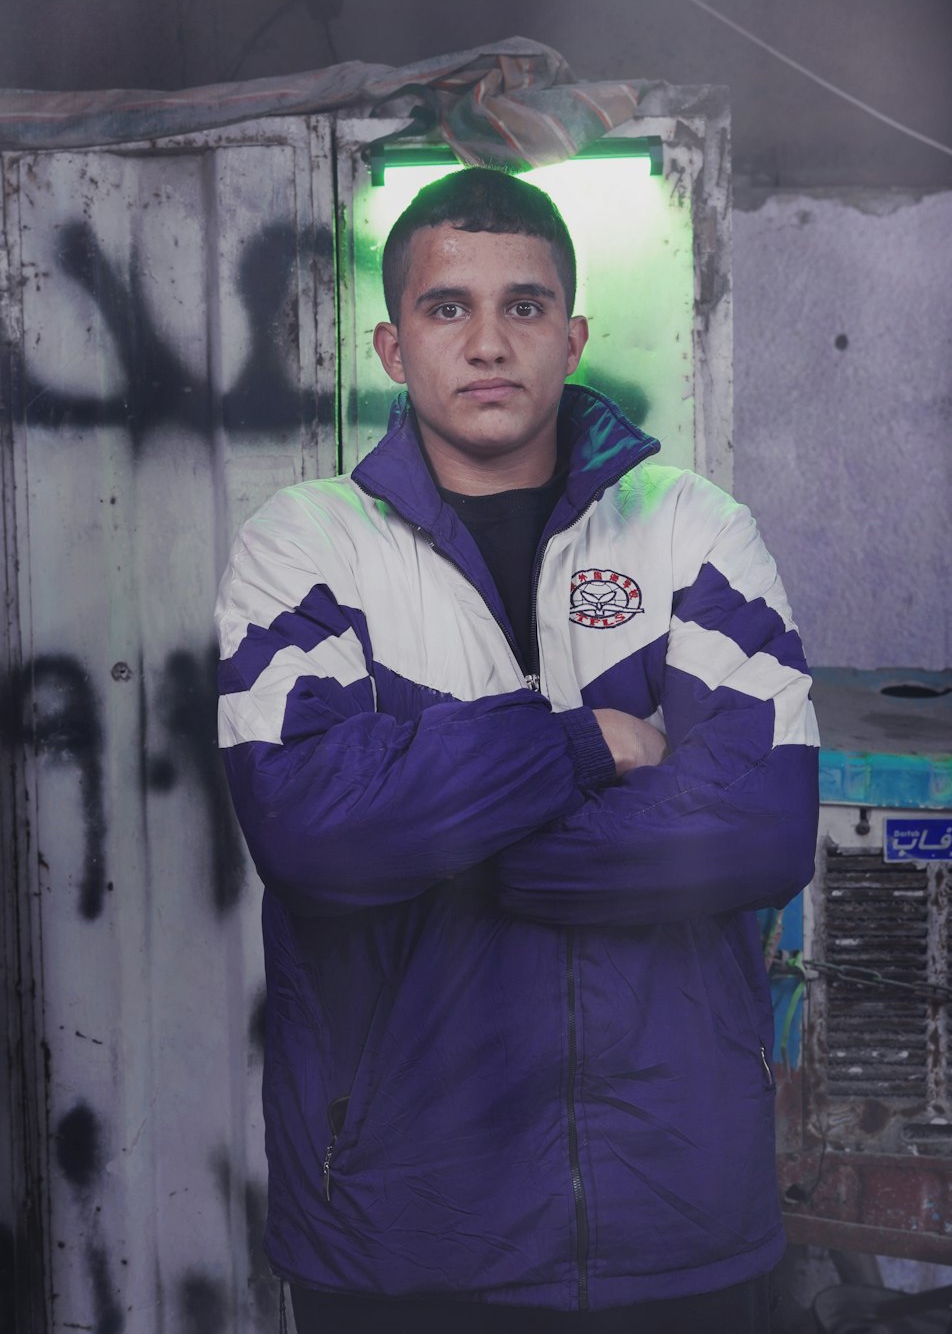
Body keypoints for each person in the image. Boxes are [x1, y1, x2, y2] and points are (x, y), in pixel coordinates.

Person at [215, 167, 819, 1333]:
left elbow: (758, 829)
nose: (488, 343)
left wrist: (442, 843)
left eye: (524, 307)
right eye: (450, 309)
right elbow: (311, 837)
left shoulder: (693, 529)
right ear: (394, 347)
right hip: (401, 1227)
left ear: (573, 335)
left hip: (675, 1213)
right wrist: (590, 740)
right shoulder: (306, 550)